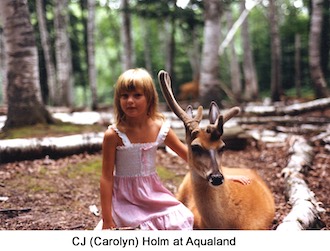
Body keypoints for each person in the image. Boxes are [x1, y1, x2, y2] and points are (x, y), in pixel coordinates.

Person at [95, 68, 250, 230]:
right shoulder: (113, 135)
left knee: (183, 218)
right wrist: (107, 220)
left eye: (137, 95)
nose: (130, 101)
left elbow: (190, 157)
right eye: (124, 96)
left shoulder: (159, 128)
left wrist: (226, 176)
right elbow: (106, 178)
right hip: (124, 199)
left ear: (149, 98)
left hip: (152, 194)